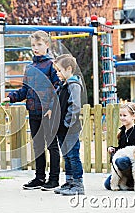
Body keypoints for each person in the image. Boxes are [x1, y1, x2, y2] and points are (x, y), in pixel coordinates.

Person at [2, 30, 61, 190]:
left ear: (47, 45)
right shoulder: (29, 67)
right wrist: (11, 97)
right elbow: (25, 90)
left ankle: (54, 179)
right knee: (37, 145)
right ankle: (39, 178)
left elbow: (58, 88)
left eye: (39, 44)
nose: (36, 48)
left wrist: (51, 107)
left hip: (47, 112)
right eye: (33, 45)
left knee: (51, 146)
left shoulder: (52, 65)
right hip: (33, 112)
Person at [47, 54, 85, 195]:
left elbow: (75, 106)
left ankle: (78, 184)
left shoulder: (74, 85)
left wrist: (67, 123)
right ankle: (69, 182)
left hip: (70, 128)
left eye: (59, 70)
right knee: (66, 155)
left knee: (73, 155)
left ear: (69, 69)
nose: (57, 73)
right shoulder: (62, 85)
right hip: (61, 128)